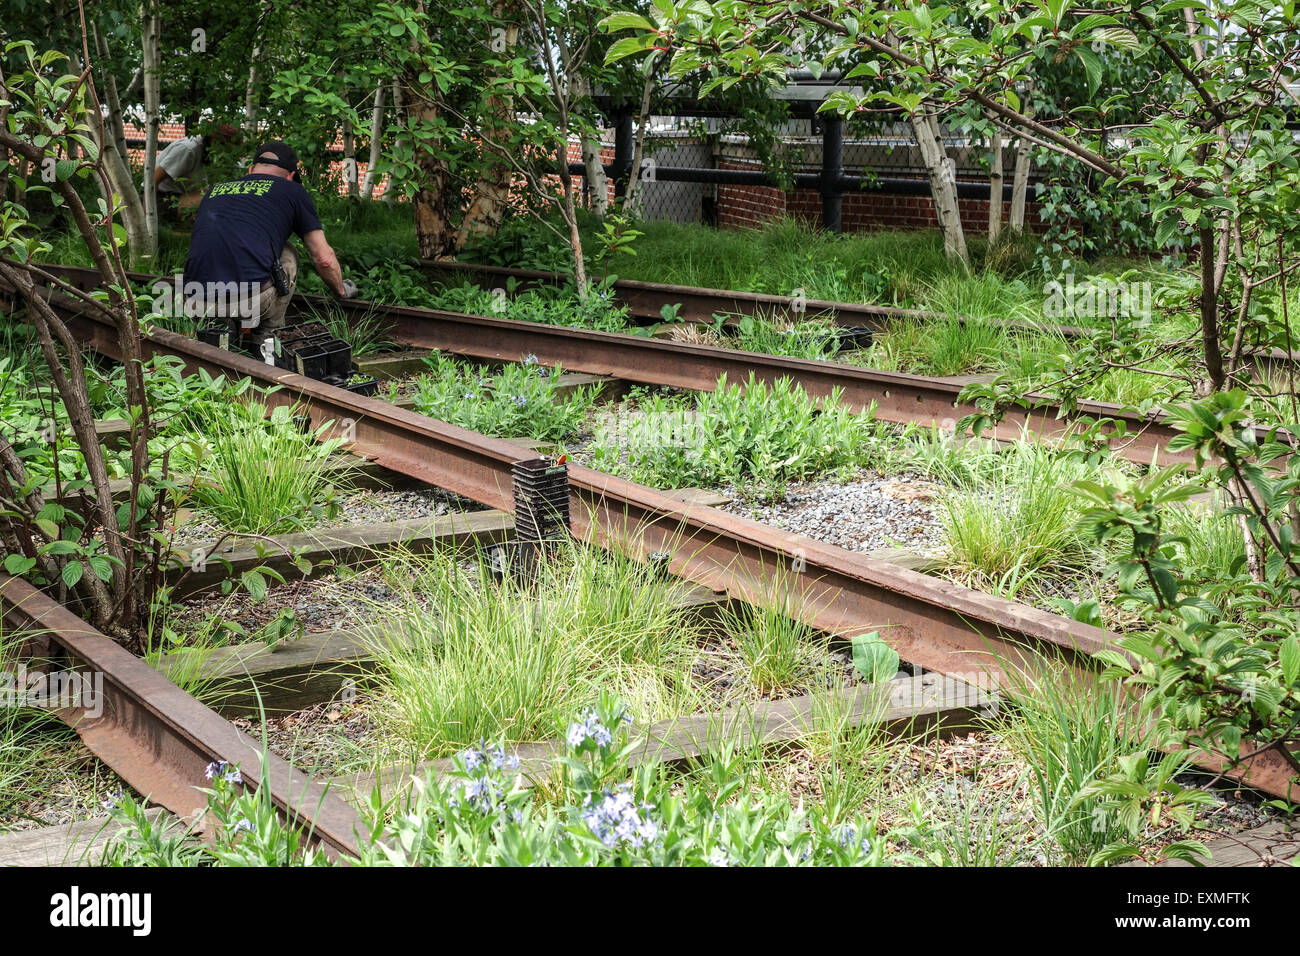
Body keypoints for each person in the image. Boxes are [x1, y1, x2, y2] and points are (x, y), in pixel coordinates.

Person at [183, 141, 357, 349]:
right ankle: (266, 337)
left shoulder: (215, 190)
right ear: (291, 176)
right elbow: (324, 259)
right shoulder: (292, 191)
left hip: (196, 298)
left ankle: (221, 329)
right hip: (249, 301)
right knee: (288, 253)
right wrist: (340, 291)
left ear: (250, 170)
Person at [151, 124, 236, 221]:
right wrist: (148, 215)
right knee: (218, 195)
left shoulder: (207, 150)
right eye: (228, 149)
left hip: (180, 197)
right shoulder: (188, 149)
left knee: (221, 190)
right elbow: (152, 179)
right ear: (216, 141)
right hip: (160, 200)